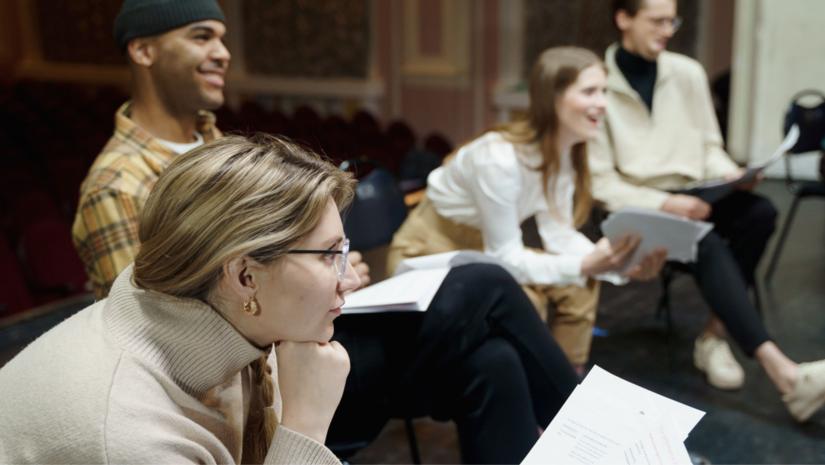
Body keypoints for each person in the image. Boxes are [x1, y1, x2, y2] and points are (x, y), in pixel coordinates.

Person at [70, 1, 582, 462]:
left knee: (493, 363)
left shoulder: (218, 145)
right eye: (202, 37)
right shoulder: (116, 186)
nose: (224, 53)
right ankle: (601, 438)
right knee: (484, 284)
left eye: (224, 38)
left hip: (299, 328)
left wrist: (321, 270)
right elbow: (160, 339)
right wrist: (305, 286)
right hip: (266, 379)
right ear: (143, 50)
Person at [0, 135, 357, 463]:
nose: (351, 279)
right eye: (328, 255)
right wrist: (306, 426)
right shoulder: (128, 434)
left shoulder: (233, 325)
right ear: (245, 277)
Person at [587, 0, 825, 421]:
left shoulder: (687, 73)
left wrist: (734, 174)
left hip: (699, 190)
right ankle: (784, 373)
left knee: (760, 213)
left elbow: (709, 149)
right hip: (642, 204)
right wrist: (666, 203)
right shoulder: (596, 86)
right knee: (707, 242)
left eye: (672, 20)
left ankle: (714, 334)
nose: (668, 30)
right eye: (657, 21)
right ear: (623, 18)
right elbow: (603, 184)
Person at [387, 46, 667, 371]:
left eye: (604, 91)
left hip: (484, 250)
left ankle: (563, 393)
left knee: (581, 284)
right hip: (430, 251)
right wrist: (588, 264)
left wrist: (615, 264)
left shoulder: (565, 152)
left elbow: (559, 234)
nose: (603, 103)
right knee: (527, 302)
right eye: (590, 91)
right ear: (553, 97)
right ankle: (529, 401)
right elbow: (505, 258)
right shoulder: (499, 159)